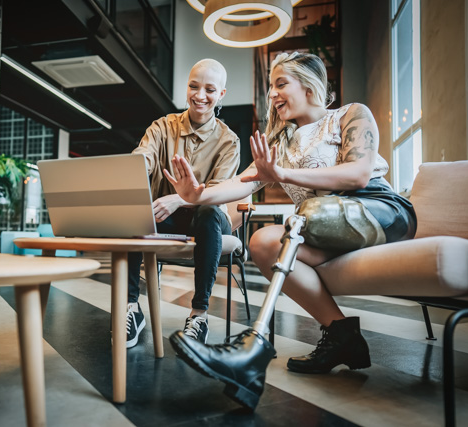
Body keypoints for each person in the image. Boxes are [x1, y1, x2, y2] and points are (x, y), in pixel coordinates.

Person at [163, 52, 417, 409]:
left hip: (382, 212)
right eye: (271, 87)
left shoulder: (350, 115)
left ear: (310, 85)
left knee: (302, 217)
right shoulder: (281, 142)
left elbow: (358, 174)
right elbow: (241, 182)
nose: (273, 94)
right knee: (264, 242)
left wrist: (282, 175)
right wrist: (196, 195)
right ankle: (342, 334)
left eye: (281, 84)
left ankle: (250, 354)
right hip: (319, 226)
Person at [125, 58, 241, 348]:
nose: (200, 95)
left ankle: (198, 315)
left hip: (210, 217)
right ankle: (130, 308)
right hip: (166, 216)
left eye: (210, 89)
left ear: (221, 95)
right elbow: (144, 156)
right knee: (133, 212)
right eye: (193, 86)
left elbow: (218, 191)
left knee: (208, 211)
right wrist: (135, 165)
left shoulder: (229, 141)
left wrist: (178, 198)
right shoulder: (163, 126)